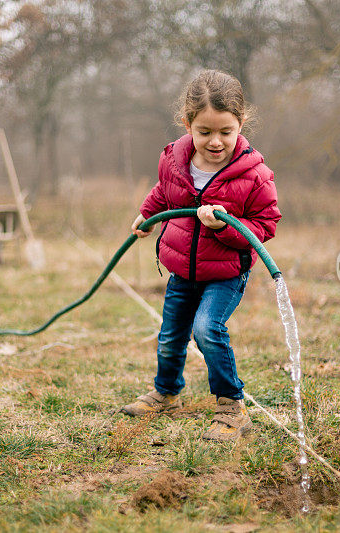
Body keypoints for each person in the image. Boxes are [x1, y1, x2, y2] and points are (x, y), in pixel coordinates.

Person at [121, 70, 281, 441]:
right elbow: (165, 193)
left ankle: (231, 406)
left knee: (207, 329)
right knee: (170, 335)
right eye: (205, 131)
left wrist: (222, 227)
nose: (215, 141)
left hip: (226, 272)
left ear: (241, 124)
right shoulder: (175, 160)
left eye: (226, 132)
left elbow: (265, 225)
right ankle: (166, 392)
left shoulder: (254, 174)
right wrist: (148, 214)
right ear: (187, 124)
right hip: (181, 269)